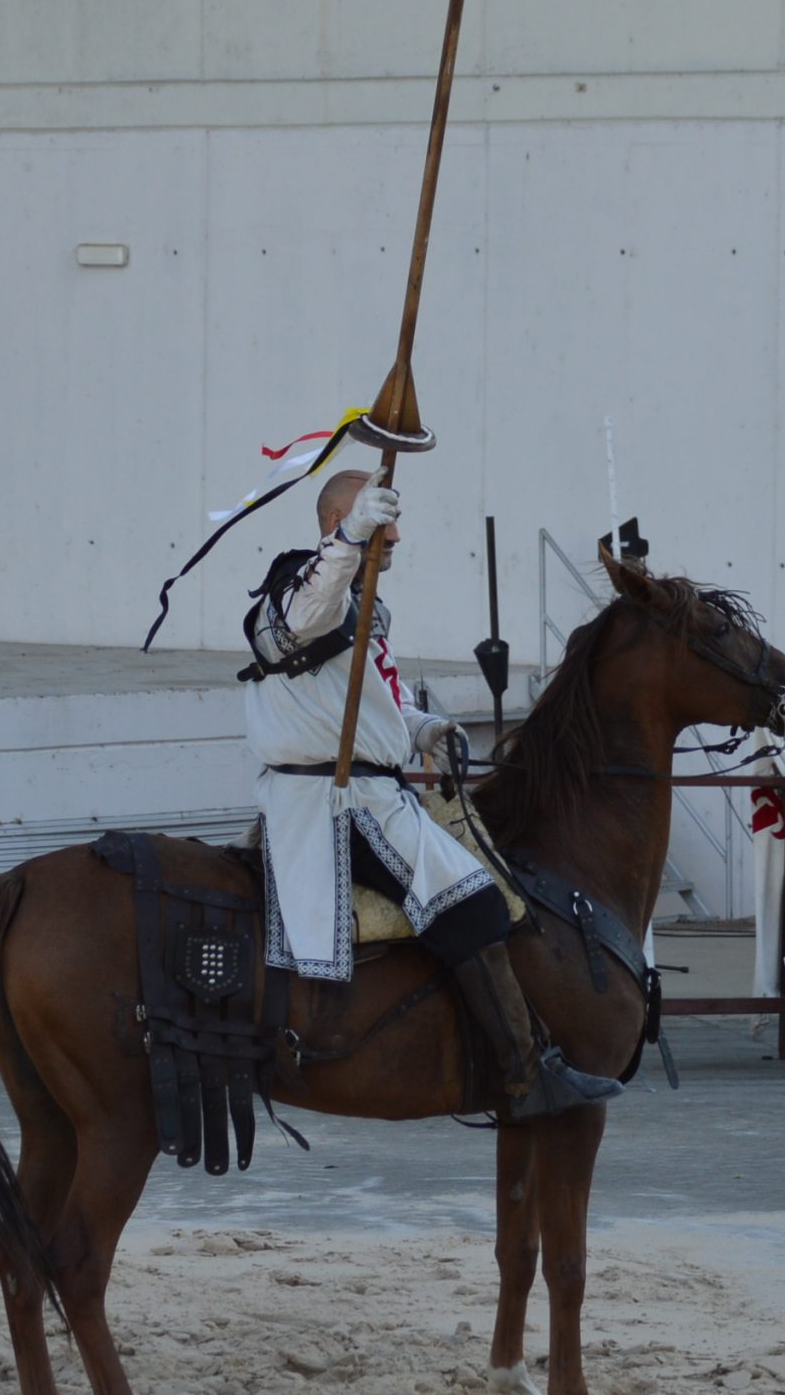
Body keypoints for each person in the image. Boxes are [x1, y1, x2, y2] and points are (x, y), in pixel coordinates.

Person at [243, 466, 621, 1119]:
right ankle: (524, 1079)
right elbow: (305, 617)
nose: (394, 533)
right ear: (342, 522)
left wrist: (428, 730)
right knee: (473, 905)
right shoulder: (296, 588)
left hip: (377, 793)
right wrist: (352, 533)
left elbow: (381, 710)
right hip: (338, 808)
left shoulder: (363, 608)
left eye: (390, 520)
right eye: (381, 520)